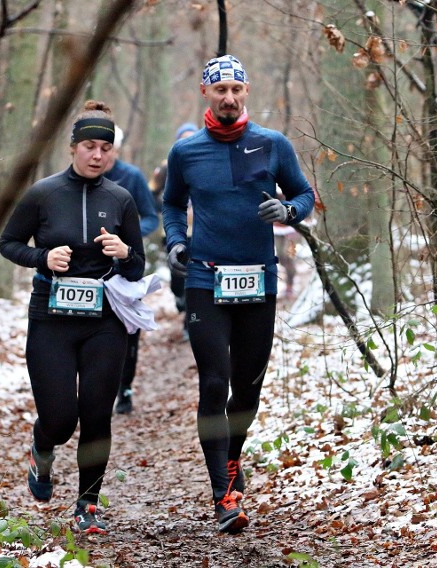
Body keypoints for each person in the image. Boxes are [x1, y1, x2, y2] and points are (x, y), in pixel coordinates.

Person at [162, 55, 315, 534]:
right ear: (206, 94)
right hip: (206, 279)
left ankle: (231, 458)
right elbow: (170, 205)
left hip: (258, 278)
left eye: (236, 89)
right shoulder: (186, 153)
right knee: (214, 382)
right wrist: (176, 242)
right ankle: (223, 494)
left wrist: (288, 209)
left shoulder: (273, 145)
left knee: (248, 385)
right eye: (220, 90)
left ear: (246, 91)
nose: (229, 98)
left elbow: (305, 195)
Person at [0, 100, 145, 534]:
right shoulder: (43, 193)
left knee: (97, 413)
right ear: (72, 148)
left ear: (113, 153)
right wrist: (44, 256)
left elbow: (136, 266)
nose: (97, 155)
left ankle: (88, 505)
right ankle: (42, 450)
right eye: (89, 146)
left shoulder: (121, 199)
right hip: (51, 318)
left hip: (104, 320)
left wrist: (124, 253)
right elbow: (8, 243)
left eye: (105, 148)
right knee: (61, 418)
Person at [104, 126, 159, 415]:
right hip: (89, 269)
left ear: (118, 148)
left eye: (109, 147)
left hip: (126, 265)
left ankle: (125, 387)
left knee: (128, 329)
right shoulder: (80, 175)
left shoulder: (132, 177)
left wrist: (131, 239)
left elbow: (150, 217)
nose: (102, 154)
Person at [150, 122, 199, 341]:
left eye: (191, 137)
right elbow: (150, 195)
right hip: (172, 231)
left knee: (194, 278)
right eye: (183, 138)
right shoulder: (166, 166)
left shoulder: (205, 163)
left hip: (199, 232)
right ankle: (179, 297)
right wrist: (169, 207)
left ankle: (191, 322)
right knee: (178, 277)